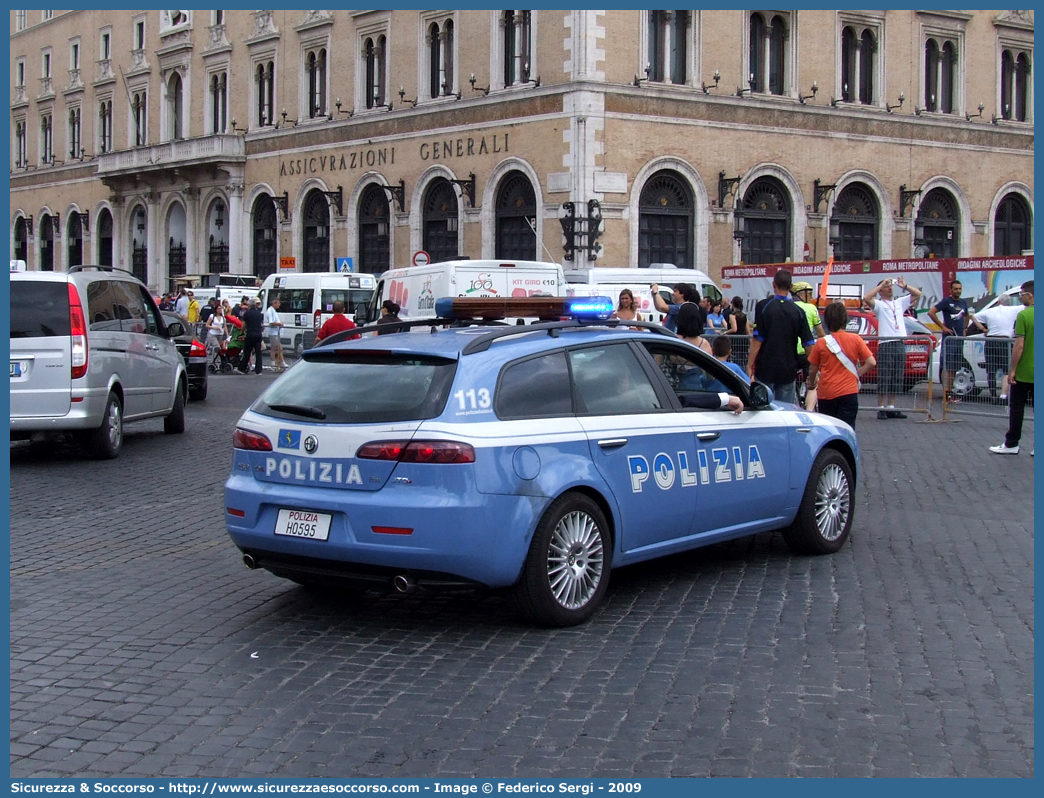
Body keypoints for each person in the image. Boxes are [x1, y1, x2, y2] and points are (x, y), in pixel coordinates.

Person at [746, 268, 815, 405]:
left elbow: (757, 339)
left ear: (774, 284)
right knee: (786, 409)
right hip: (788, 368)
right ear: (790, 287)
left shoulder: (763, 307)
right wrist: (814, 369)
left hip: (765, 367)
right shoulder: (798, 311)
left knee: (762, 408)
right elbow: (808, 343)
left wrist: (749, 365)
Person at [807, 302, 876, 429]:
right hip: (848, 391)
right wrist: (856, 374)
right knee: (847, 429)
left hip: (826, 392)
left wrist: (811, 383)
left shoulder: (822, 343)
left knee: (828, 429)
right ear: (845, 319)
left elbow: (813, 369)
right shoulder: (855, 339)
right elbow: (871, 362)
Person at [862, 276, 922, 419]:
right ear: (881, 291)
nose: (890, 288)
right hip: (886, 342)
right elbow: (866, 297)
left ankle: (891, 406)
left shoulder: (899, 303)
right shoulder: (879, 305)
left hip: (899, 342)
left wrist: (904, 285)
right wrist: (881, 284)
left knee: (897, 375)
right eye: (887, 286)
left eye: (890, 286)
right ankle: (881, 407)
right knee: (885, 375)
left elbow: (917, 294)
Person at [990, 280, 1034, 455]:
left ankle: (1012, 443)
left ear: (1030, 295)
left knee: (1017, 408)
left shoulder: (1024, 315)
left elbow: (1019, 345)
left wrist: (1012, 369)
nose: (1020, 298)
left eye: (1022, 294)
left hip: (1024, 371)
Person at [970, 292, 1022, 401]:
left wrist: (983, 329)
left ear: (999, 302)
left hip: (990, 340)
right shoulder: (1014, 310)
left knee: (991, 370)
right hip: (1005, 341)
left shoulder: (989, 311)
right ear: (1010, 303)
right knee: (1006, 369)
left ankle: (993, 395)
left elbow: (973, 317)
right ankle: (1003, 395)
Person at [928, 280, 970, 404]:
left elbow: (967, 315)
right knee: (947, 366)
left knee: (954, 367)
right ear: (951, 290)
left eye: (960, 289)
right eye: (956, 289)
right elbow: (931, 312)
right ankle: (945, 393)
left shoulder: (963, 302)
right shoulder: (947, 301)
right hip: (949, 339)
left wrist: (964, 329)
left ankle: (950, 393)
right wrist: (943, 327)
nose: (958, 291)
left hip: (959, 339)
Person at [791, 281, 825, 410]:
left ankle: (794, 407)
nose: (810, 297)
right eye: (809, 294)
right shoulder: (811, 308)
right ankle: (809, 410)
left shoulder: (789, 306)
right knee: (812, 383)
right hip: (807, 351)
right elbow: (820, 332)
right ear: (800, 294)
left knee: (790, 384)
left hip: (792, 352)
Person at [238, 298, 265, 375]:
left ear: (249, 305)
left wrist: (241, 332)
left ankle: (242, 368)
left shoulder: (247, 313)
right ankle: (258, 370)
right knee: (258, 353)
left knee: (247, 352)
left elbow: (243, 325)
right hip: (258, 334)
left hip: (250, 334)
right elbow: (261, 325)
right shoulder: (259, 313)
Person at [264, 297, 286, 372]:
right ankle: (280, 363)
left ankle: (275, 364)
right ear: (274, 303)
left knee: (274, 348)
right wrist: (279, 323)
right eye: (278, 303)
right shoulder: (270, 311)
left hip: (275, 332)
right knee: (278, 348)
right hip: (273, 333)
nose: (279, 305)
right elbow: (271, 322)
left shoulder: (273, 310)